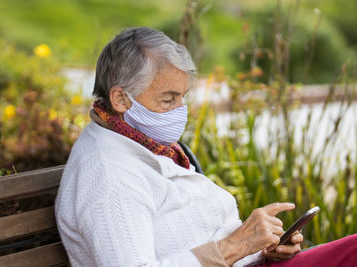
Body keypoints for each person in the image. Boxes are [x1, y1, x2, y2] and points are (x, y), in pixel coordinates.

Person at [55, 27, 357, 266]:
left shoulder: (149, 146)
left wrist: (259, 249)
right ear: (121, 99)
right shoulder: (108, 174)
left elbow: (200, 239)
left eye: (183, 96)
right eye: (168, 99)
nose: (181, 110)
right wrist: (234, 246)